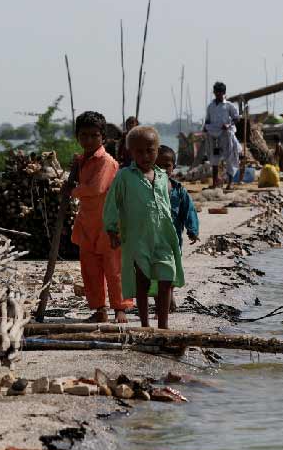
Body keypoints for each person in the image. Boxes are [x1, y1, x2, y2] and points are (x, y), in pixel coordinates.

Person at [104, 126, 185, 329]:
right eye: (139, 151)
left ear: (157, 150)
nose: (145, 156)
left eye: (150, 150)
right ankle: (145, 325)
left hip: (163, 237)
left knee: (167, 278)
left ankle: (164, 325)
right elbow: (112, 202)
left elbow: (165, 205)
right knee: (143, 281)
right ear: (130, 152)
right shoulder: (125, 176)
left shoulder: (162, 177)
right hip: (138, 238)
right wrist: (112, 229)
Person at [71, 112, 133, 324]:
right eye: (83, 135)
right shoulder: (81, 161)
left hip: (110, 224)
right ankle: (99, 308)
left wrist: (71, 191)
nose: (88, 140)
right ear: (77, 137)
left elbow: (96, 188)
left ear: (103, 138)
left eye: (93, 136)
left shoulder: (106, 161)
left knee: (114, 268)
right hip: (87, 222)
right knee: (90, 269)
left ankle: (120, 308)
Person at [155, 145, 200, 250]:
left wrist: (192, 230)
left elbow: (189, 211)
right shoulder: (145, 189)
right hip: (151, 240)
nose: (162, 170)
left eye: (166, 166)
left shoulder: (179, 191)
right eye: (157, 166)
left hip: (173, 241)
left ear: (173, 167)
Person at [202, 82, 241, 189]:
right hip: (213, 136)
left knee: (230, 158)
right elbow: (208, 120)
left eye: (219, 92)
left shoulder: (229, 105)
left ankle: (230, 183)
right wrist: (205, 127)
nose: (217, 94)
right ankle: (215, 182)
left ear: (223, 93)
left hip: (226, 135)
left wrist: (228, 124)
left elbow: (236, 118)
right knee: (214, 159)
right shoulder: (210, 106)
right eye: (216, 92)